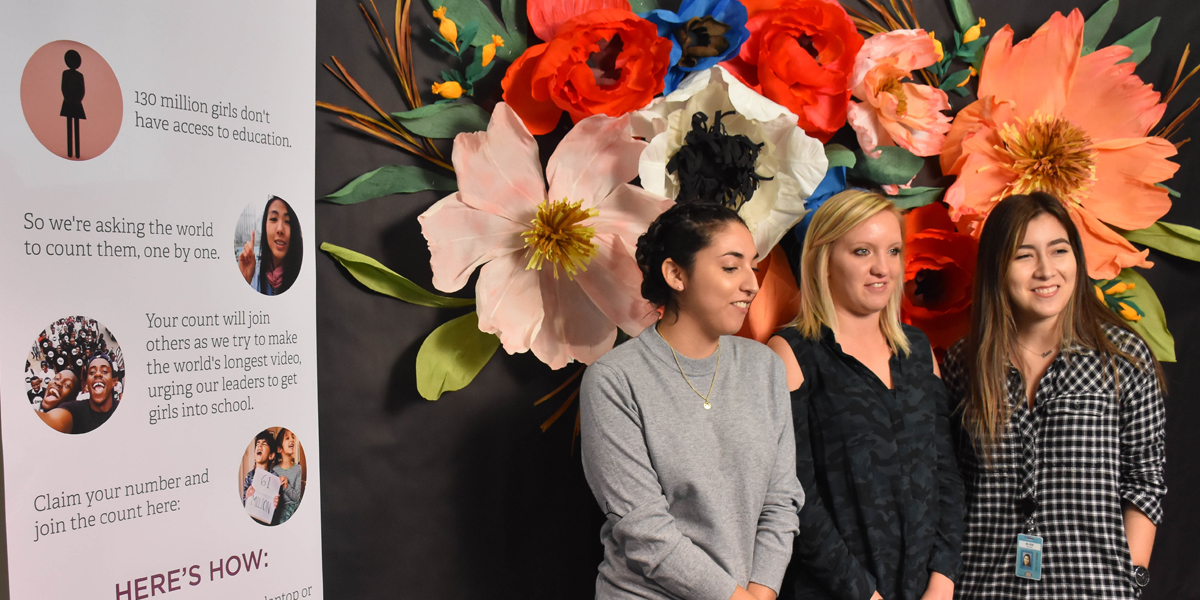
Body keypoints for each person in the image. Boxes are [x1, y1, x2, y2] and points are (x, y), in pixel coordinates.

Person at [942, 193, 1166, 599]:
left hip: (1092, 589)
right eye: (1024, 256)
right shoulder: (963, 362)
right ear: (997, 267)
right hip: (984, 587)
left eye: (1059, 250)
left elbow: (1144, 480)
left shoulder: (1124, 359)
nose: (1046, 270)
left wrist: (1130, 580)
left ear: (1076, 259)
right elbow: (949, 483)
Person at [580, 202, 804, 600]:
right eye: (731, 267)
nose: (752, 283)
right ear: (676, 274)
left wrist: (761, 592)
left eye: (753, 266)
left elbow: (781, 501)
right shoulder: (615, 381)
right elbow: (644, 530)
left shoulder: (764, 368)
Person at [767, 190, 963, 600]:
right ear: (824, 260)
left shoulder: (917, 349)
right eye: (861, 251)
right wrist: (862, 594)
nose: (882, 268)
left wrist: (942, 582)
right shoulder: (791, 352)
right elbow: (794, 494)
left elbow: (947, 473)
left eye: (892, 251)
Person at [38, 354, 120, 434]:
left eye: (105, 371)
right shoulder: (74, 410)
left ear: (114, 381)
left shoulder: (124, 412)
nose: (98, 374)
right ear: (86, 383)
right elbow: (52, 420)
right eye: (92, 372)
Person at [239, 196, 302, 295]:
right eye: (273, 219)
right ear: (265, 227)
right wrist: (246, 279)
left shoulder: (303, 274)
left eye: (288, 221)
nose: (280, 229)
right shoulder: (255, 273)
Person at [243, 430, 281, 518]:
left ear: (271, 455)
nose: (259, 445)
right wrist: (247, 497)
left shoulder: (275, 478)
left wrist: (276, 504)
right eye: (258, 444)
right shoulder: (249, 476)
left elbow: (275, 511)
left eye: (264, 444)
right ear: (254, 455)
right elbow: (244, 505)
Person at [272, 428, 303, 524]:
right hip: (281, 510)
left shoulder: (298, 469)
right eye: (287, 438)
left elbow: (297, 498)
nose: (292, 440)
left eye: (293, 437)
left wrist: (286, 486)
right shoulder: (274, 471)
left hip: (294, 508)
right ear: (279, 449)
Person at [61, 49, 85, 159]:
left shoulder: (80, 75)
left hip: (76, 102)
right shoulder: (65, 73)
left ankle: (77, 153)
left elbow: (82, 90)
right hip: (69, 101)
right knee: (69, 126)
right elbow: (63, 88)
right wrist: (68, 98)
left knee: (76, 127)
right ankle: (70, 152)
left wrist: (78, 100)